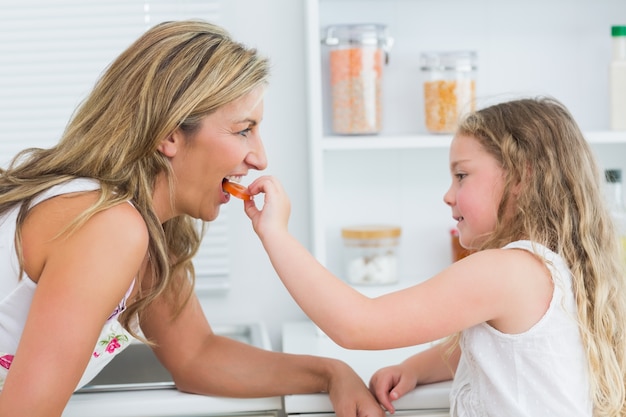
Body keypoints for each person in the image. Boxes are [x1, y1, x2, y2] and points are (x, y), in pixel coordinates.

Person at [0, 20, 386, 417]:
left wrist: (331, 374)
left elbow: (197, 355)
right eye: (243, 131)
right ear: (169, 135)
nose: (260, 158)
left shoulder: (145, 230)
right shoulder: (107, 227)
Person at [244, 97, 626, 416]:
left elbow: (358, 324)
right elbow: (488, 350)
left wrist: (275, 233)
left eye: (461, 175)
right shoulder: (555, 268)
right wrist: (414, 370)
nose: (448, 194)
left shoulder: (507, 270)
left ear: (521, 177)